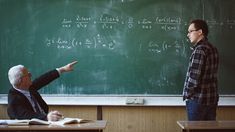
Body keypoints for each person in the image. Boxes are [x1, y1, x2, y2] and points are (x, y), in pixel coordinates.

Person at [7, 61, 78, 121]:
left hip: (46, 123)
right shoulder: (13, 98)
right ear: (22, 80)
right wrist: (46, 117)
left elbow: (44, 79)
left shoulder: (29, 87)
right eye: (28, 74)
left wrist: (62, 69)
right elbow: (25, 115)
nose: (31, 75)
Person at [183, 19, 219, 121]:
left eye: (190, 31)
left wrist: (187, 94)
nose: (188, 34)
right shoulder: (213, 48)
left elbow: (194, 78)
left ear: (200, 32)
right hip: (211, 99)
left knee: (195, 129)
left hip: (198, 100)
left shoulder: (199, 50)